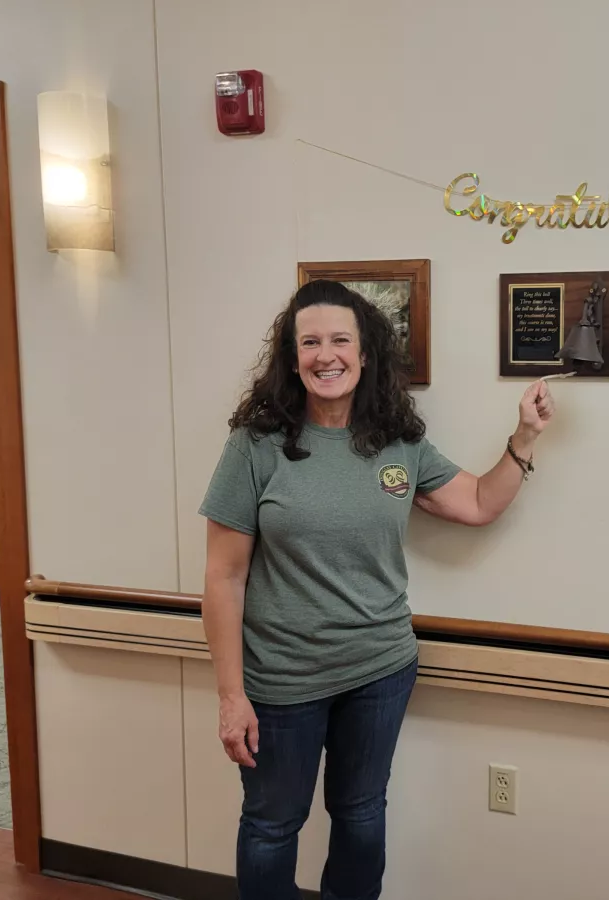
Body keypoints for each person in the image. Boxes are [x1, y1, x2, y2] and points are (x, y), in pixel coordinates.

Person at [198, 279, 554, 900]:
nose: (325, 355)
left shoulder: (398, 443)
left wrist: (523, 437)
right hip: (282, 680)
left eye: (341, 340)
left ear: (365, 355)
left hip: (379, 670)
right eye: (310, 342)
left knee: (361, 817)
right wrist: (232, 697)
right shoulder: (255, 446)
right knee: (272, 826)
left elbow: (475, 502)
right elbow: (223, 578)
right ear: (292, 357)